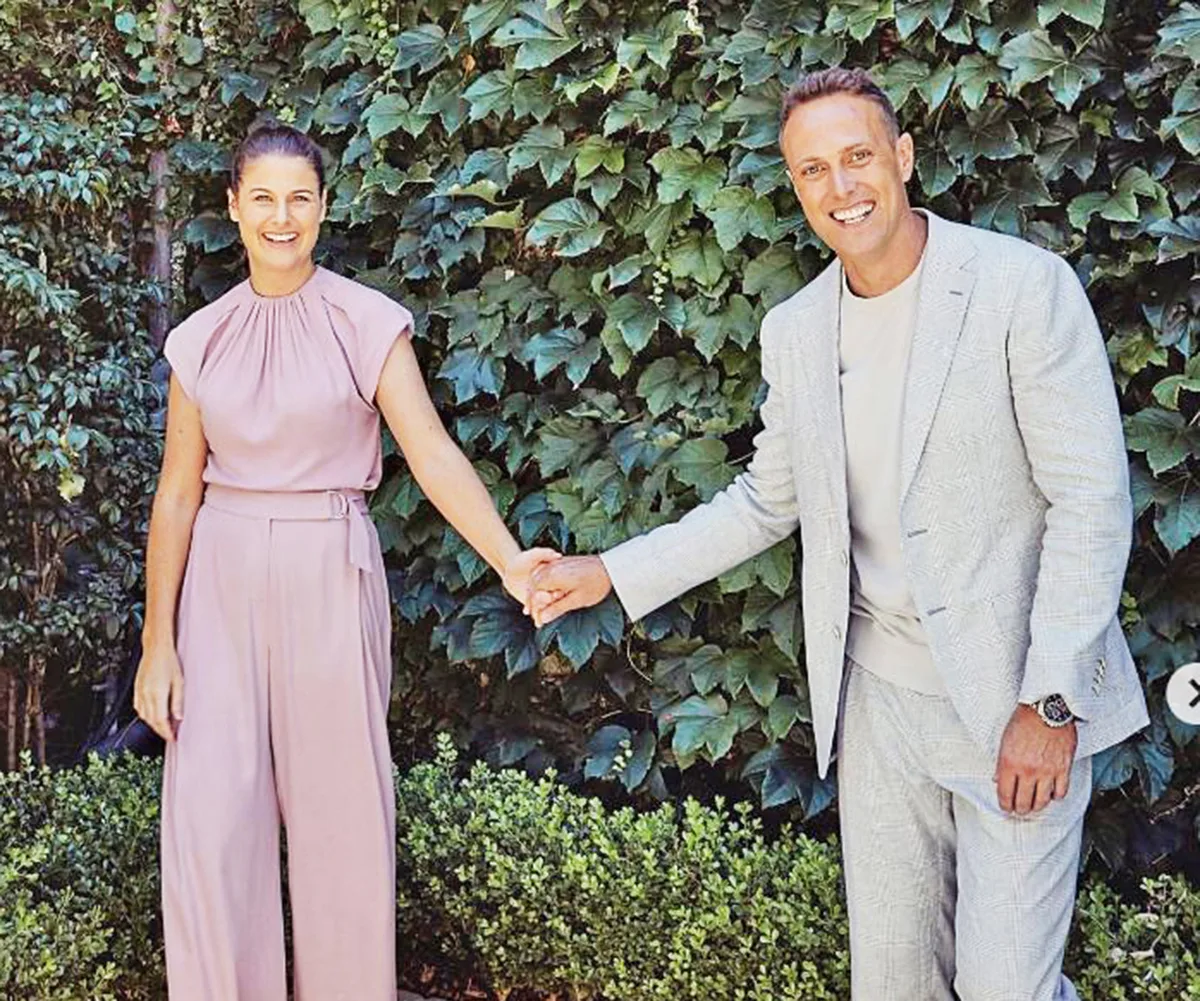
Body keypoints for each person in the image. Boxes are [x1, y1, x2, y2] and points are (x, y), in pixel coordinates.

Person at [529, 68, 1149, 1000]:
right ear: (796, 187)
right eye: (814, 170)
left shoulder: (1022, 289)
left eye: (858, 156)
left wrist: (1052, 703)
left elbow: (1092, 504)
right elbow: (763, 500)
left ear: (901, 157)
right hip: (881, 708)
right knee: (892, 985)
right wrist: (608, 573)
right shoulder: (796, 329)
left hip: (1014, 700)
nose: (842, 186)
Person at [133, 121, 557, 1001]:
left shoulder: (367, 322)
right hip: (219, 580)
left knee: (341, 823)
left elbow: (432, 454)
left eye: (299, 198)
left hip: (332, 568)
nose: (280, 217)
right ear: (233, 208)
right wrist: (157, 643)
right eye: (262, 198)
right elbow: (176, 494)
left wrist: (511, 563)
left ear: (323, 208)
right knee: (210, 827)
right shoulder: (200, 340)